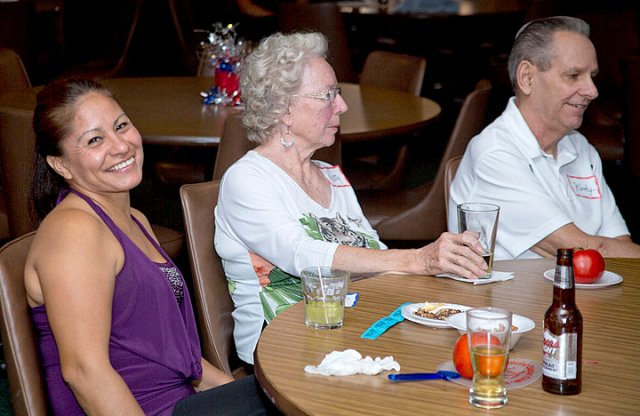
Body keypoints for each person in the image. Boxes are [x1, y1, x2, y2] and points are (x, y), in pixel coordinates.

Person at [214, 32, 487, 368]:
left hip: (351, 331)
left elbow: (374, 257)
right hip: (281, 349)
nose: (341, 106)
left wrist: (439, 267)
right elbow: (302, 255)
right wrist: (418, 259)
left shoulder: (331, 176)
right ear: (284, 108)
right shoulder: (247, 180)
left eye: (338, 94)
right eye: (328, 95)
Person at [24, 78, 276, 415]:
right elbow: (84, 372)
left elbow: (181, 360)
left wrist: (243, 396)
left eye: (121, 126)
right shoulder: (75, 232)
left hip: (180, 400)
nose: (121, 146)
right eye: (95, 139)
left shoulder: (135, 219)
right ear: (61, 164)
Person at [447, 16, 640, 260]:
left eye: (592, 76)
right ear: (527, 78)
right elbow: (581, 250)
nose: (592, 91)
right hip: (515, 287)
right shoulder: (495, 153)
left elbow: (620, 244)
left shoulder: (580, 148)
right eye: (573, 75)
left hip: (577, 285)